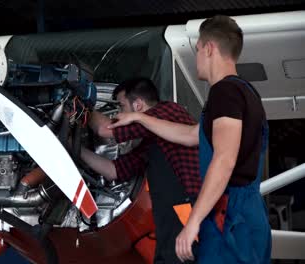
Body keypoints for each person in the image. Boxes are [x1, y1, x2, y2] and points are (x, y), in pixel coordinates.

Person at [108, 15, 271, 263]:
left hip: (230, 219)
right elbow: (190, 135)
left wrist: (193, 221)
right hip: (244, 217)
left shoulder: (224, 92)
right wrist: (140, 119)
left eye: (196, 50)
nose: (196, 58)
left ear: (209, 48)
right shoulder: (246, 93)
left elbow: (224, 159)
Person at [81, 77, 201, 263]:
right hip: (170, 217)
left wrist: (80, 105)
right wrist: (75, 151)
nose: (119, 114)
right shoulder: (152, 139)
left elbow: (106, 130)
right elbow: (114, 170)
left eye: (121, 107)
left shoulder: (166, 111)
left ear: (138, 105)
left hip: (185, 214)